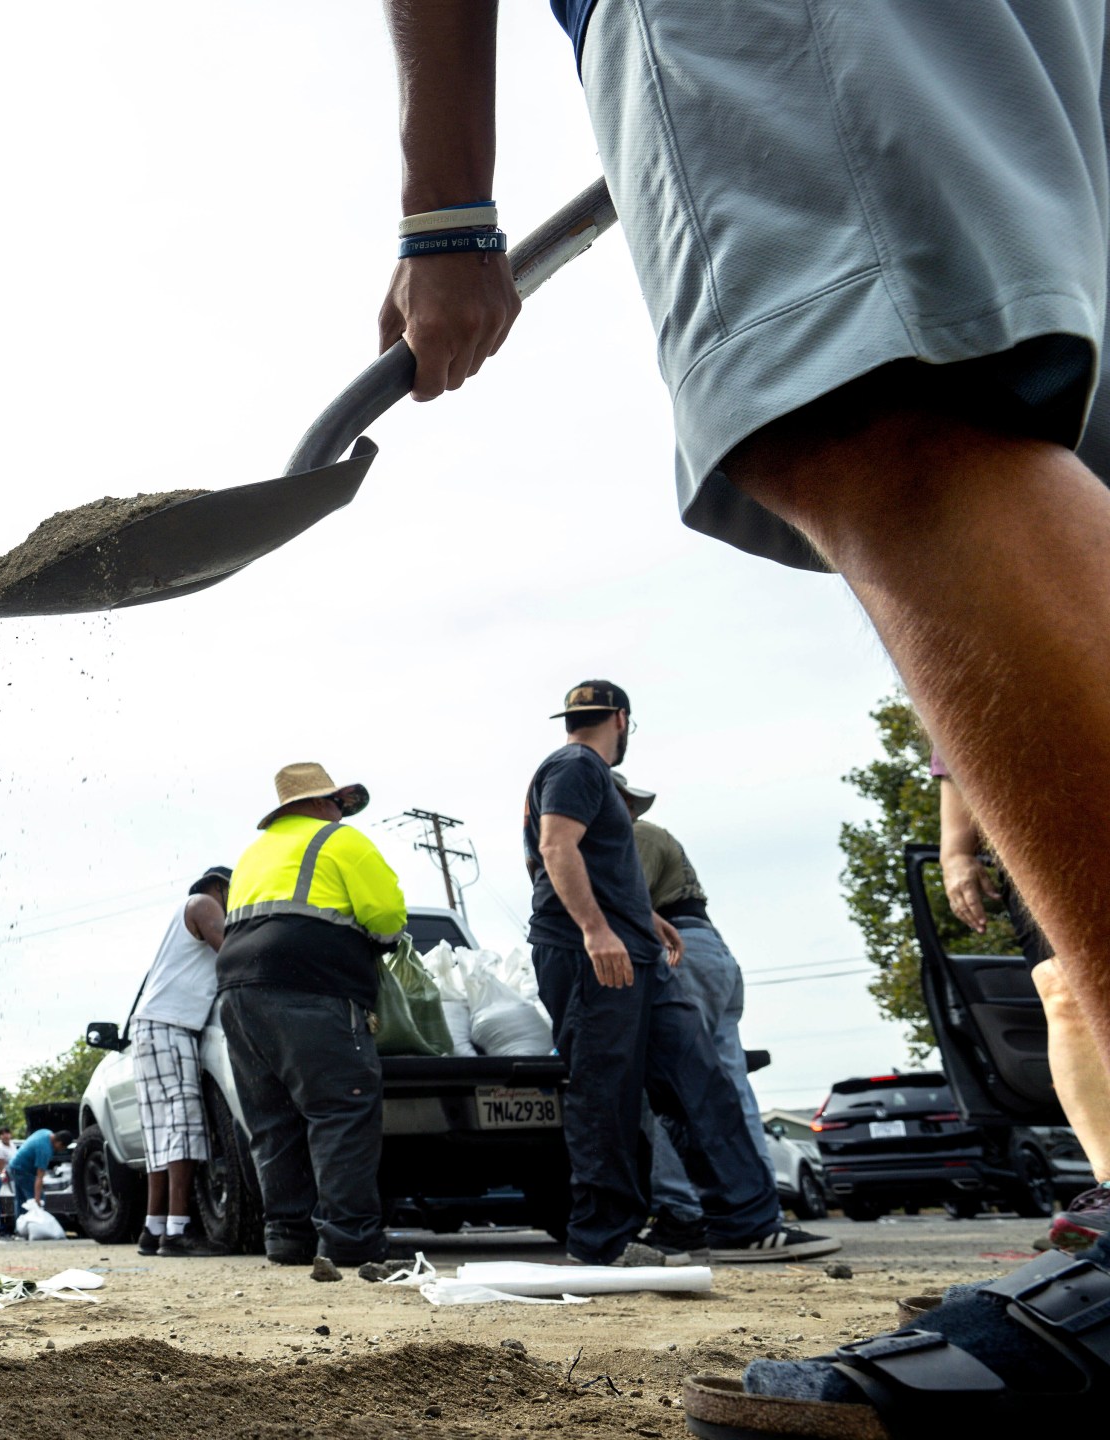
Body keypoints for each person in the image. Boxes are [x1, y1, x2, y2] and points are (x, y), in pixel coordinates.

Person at [372, 0, 1110, 1419]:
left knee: (880, 399)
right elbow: (560, 858)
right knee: (1025, 406)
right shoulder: (574, 779)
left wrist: (446, 212)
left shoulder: (589, 785)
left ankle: (712, 1215)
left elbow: (571, 866)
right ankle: (685, 1218)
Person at [522, 683, 833, 1267]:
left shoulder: (584, 773)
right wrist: (596, 930)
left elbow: (602, 865)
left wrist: (646, 919)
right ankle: (602, 1242)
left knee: (699, 1079)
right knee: (605, 1091)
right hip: (591, 956)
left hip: (637, 951)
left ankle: (744, 1222)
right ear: (621, 718)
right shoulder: (577, 765)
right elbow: (557, 849)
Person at [214, 764, 404, 1273]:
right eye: (338, 803)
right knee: (341, 1110)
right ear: (322, 804)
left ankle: (287, 1239)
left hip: (237, 993)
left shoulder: (252, 856)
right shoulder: (342, 842)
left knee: (272, 1119)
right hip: (314, 987)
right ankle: (351, 1242)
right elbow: (387, 918)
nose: (342, 811)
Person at [936, 753, 1110, 1249]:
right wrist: (955, 852)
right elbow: (957, 743)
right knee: (1063, 987)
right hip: (1036, 841)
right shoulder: (980, 673)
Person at [613, 774, 770, 1256]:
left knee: (680, 1086)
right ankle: (759, 1210)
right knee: (728, 1084)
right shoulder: (655, 837)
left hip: (678, 951)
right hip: (709, 949)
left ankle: (682, 1213)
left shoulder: (634, 836)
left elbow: (626, 907)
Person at [125, 866, 233, 1258]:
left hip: (151, 1027)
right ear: (221, 887)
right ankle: (178, 1232)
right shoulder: (203, 903)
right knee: (184, 1128)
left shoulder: (183, 915)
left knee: (161, 1134)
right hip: (171, 1027)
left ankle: (153, 1231)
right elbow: (232, 950)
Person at [4, 1126, 66, 1223]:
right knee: (38, 1198)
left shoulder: (46, 1132)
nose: (61, 1150)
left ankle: (20, 1229)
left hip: (14, 1166)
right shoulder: (45, 1150)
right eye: (63, 1148)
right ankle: (35, 1224)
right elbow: (39, 1177)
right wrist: (37, 1199)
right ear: (60, 1143)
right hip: (22, 1170)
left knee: (21, 1200)